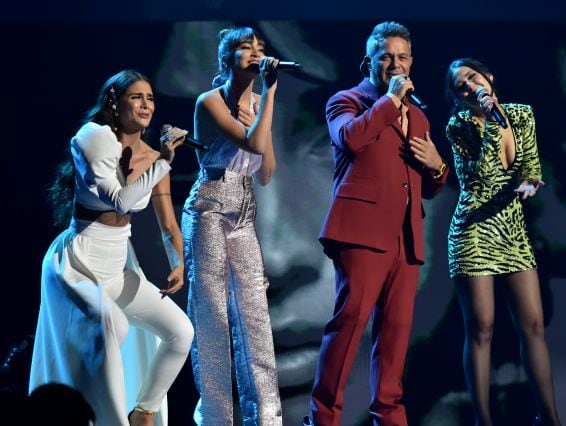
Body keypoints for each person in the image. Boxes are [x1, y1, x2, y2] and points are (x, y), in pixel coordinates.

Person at [29, 69, 194, 426]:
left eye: (150, 98)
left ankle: (143, 411)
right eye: (136, 97)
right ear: (113, 103)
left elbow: (168, 224)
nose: (146, 104)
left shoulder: (153, 154)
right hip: (80, 262)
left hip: (118, 265)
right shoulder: (94, 138)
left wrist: (178, 261)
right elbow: (120, 201)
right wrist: (164, 161)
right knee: (113, 324)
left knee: (181, 332)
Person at [303, 21, 448, 426]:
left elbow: (427, 187)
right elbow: (350, 139)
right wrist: (389, 102)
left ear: (412, 61)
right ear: (369, 62)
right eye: (386, 57)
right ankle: (322, 417)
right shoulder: (347, 101)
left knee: (396, 334)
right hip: (360, 232)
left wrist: (438, 169)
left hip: (406, 235)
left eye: (402, 57)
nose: (395, 64)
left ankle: (389, 415)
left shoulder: (419, 117)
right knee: (349, 324)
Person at [444, 57, 562, 426]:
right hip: (475, 230)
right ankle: (483, 420)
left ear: (489, 76)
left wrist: (530, 185)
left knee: (534, 324)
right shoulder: (459, 125)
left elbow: (530, 168)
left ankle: (550, 417)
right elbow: (479, 178)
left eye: (472, 77)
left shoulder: (522, 114)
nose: (469, 86)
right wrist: (492, 122)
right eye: (461, 86)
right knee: (482, 327)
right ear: (459, 98)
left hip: (511, 229)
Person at [181, 27, 282, 425]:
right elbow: (252, 147)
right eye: (246, 48)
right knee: (212, 317)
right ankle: (217, 419)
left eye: (260, 47)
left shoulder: (258, 103)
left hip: (244, 209)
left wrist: (264, 108)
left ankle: (268, 418)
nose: (256, 53)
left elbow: (267, 171)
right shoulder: (209, 102)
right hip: (209, 207)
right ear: (227, 59)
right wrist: (270, 95)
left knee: (255, 314)